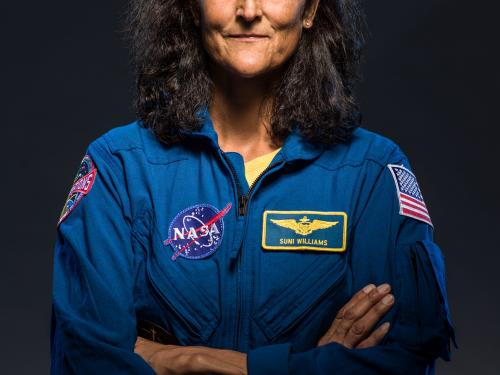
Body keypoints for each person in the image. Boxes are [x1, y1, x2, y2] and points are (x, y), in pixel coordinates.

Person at [50, 0, 456, 374]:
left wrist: (184, 359)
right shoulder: (120, 165)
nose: (248, 9)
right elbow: (88, 357)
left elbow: (402, 355)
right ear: (193, 8)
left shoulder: (370, 172)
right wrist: (311, 365)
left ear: (311, 8)